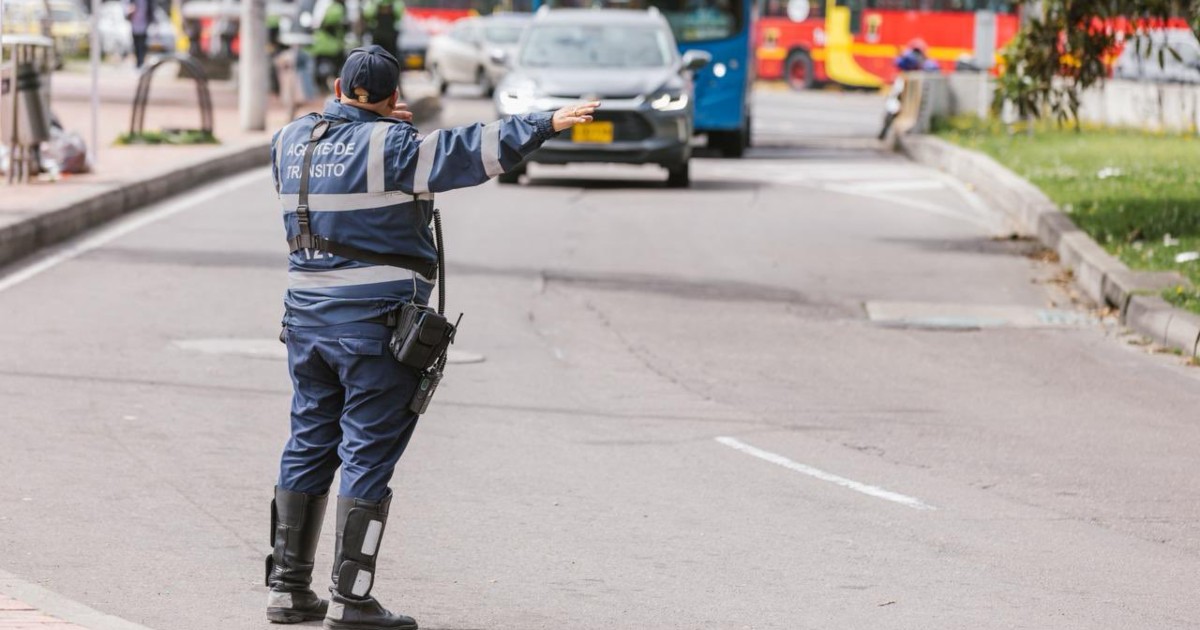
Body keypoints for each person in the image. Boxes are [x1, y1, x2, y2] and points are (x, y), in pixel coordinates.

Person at [265, 45, 598, 629]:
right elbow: (473, 150)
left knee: (309, 441)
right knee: (366, 454)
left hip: (305, 323)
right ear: (396, 98)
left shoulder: (291, 140)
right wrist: (546, 121)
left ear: (338, 88)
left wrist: (359, 121)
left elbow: (335, 154)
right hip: (374, 327)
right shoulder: (396, 149)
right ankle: (351, 599)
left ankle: (288, 592)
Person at [125, 0, 152, 69]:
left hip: (144, 25)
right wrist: (130, 12)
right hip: (135, 25)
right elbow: (127, 12)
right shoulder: (132, 1)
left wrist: (150, 21)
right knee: (136, 45)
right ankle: (138, 62)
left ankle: (141, 62)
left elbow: (150, 10)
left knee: (143, 45)